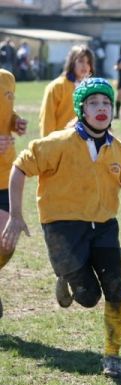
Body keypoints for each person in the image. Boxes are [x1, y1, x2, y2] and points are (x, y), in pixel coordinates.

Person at [1, 77, 121, 376]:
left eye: (106, 103)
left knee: (115, 289)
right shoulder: (57, 143)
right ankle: (65, 276)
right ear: (81, 109)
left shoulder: (119, 150)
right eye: (93, 103)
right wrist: (16, 215)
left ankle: (112, 355)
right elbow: (19, 168)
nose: (101, 108)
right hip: (62, 228)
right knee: (88, 298)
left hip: (104, 226)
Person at [0, 68, 28, 318]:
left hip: (4, 174)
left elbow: (5, 115)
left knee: (5, 243)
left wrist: (15, 121)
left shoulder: (7, 77)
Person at [39, 44, 94, 137]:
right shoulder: (57, 87)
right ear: (72, 62)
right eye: (81, 61)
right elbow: (47, 120)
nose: (85, 65)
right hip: (61, 141)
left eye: (88, 62)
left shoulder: (91, 87)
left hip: (83, 143)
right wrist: (47, 144)